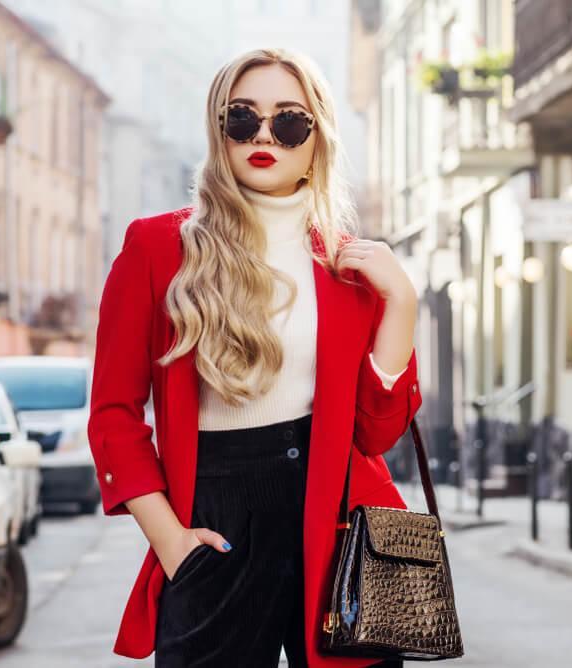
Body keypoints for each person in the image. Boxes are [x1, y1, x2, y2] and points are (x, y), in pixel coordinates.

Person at [86, 47, 423, 667]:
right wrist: (172, 544)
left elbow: (376, 433)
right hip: (214, 528)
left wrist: (401, 300)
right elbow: (113, 413)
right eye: (242, 119)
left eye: (288, 121)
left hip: (342, 526)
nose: (263, 135)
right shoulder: (158, 247)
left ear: (317, 137)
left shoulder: (350, 265)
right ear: (219, 131)